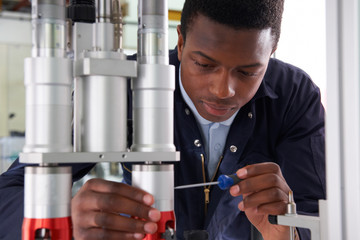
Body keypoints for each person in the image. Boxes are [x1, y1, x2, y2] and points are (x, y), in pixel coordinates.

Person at [0, 0, 326, 239]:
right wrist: (62, 214)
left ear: (271, 52)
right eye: (204, 64)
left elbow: (317, 216)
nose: (223, 90)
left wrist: (290, 232)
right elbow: (9, 191)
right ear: (181, 42)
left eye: (248, 72)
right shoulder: (120, 84)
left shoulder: (295, 96)